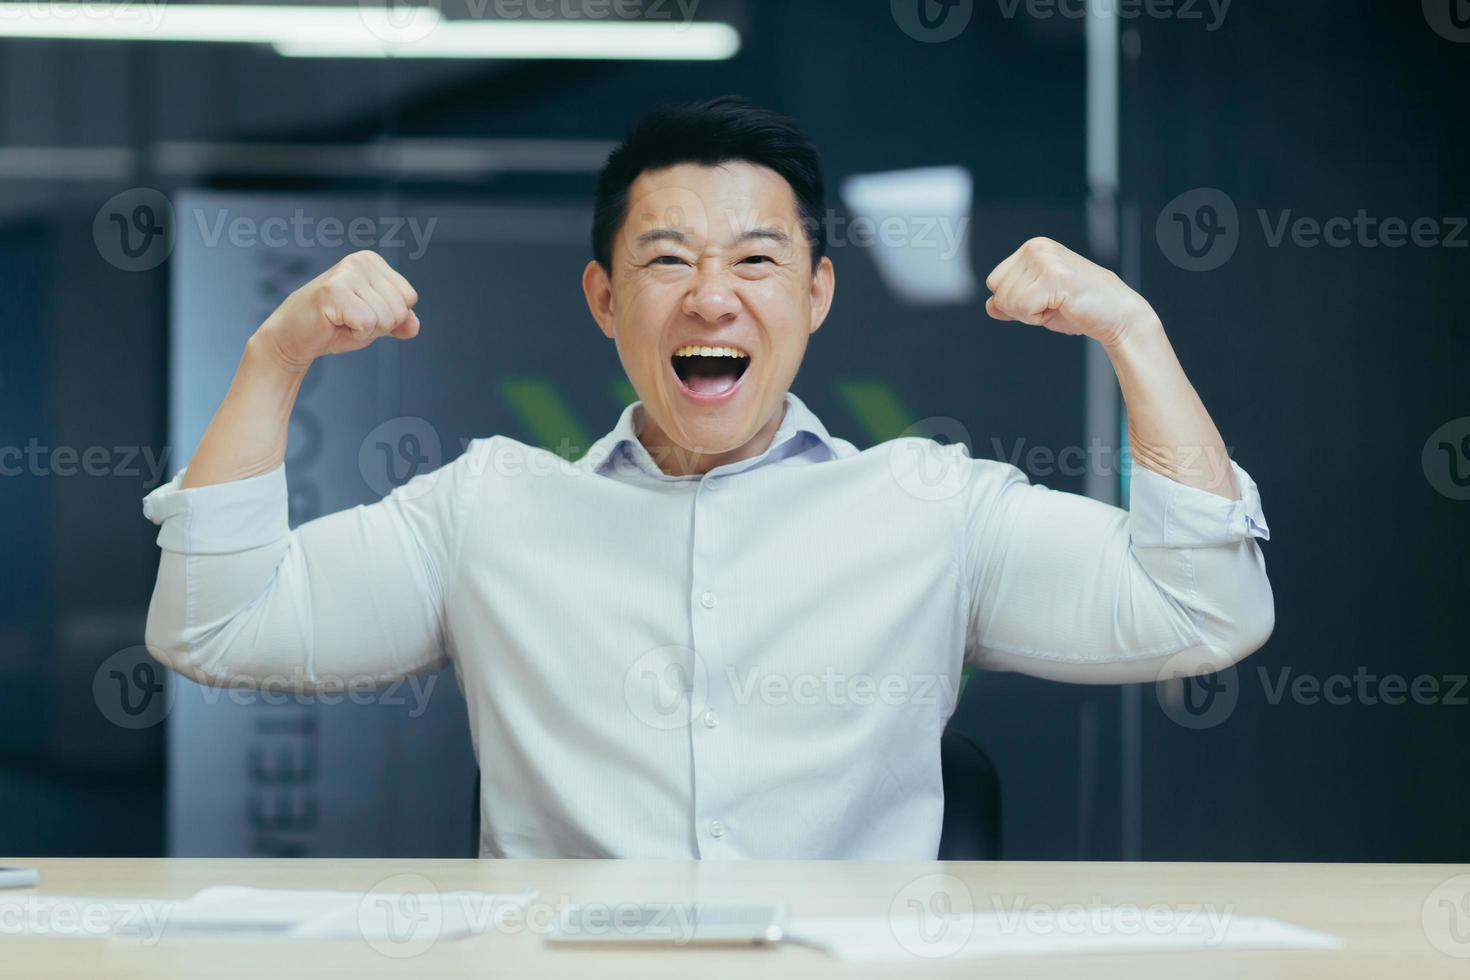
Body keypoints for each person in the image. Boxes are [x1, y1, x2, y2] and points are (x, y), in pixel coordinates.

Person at [142, 96, 1272, 859]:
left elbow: (1203, 604)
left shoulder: (932, 509)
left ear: (818, 294)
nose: (712, 296)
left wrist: (1132, 330)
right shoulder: (486, 511)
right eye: (668, 258)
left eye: (757, 260)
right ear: (603, 299)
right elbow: (217, 625)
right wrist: (274, 354)